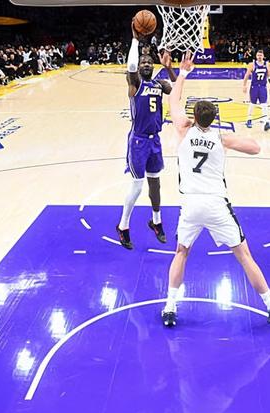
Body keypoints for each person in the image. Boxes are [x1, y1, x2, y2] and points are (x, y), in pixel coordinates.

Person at [161, 53, 270, 327]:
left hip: (191, 205)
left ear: (194, 117)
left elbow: (173, 100)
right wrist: (226, 140)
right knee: (244, 256)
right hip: (217, 205)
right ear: (213, 119)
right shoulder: (221, 137)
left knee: (181, 253)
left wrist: (182, 72)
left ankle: (170, 307)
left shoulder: (183, 130)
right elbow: (255, 148)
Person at [116, 22, 178, 250]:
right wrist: (135, 40)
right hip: (138, 141)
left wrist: (169, 68)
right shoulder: (135, 84)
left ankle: (156, 221)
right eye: (143, 62)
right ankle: (123, 226)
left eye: (149, 62)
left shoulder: (159, 83)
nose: (145, 64)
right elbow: (131, 65)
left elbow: (176, 88)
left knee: (155, 184)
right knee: (137, 185)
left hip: (155, 140)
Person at [242, 49, 270, 131]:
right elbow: (246, 75)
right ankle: (249, 120)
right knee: (252, 104)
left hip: (263, 87)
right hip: (254, 87)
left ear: (263, 56)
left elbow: (269, 76)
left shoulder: (266, 64)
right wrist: (244, 85)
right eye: (258, 55)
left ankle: (266, 122)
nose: (259, 57)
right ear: (256, 56)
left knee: (264, 104)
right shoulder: (252, 64)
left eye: (261, 55)